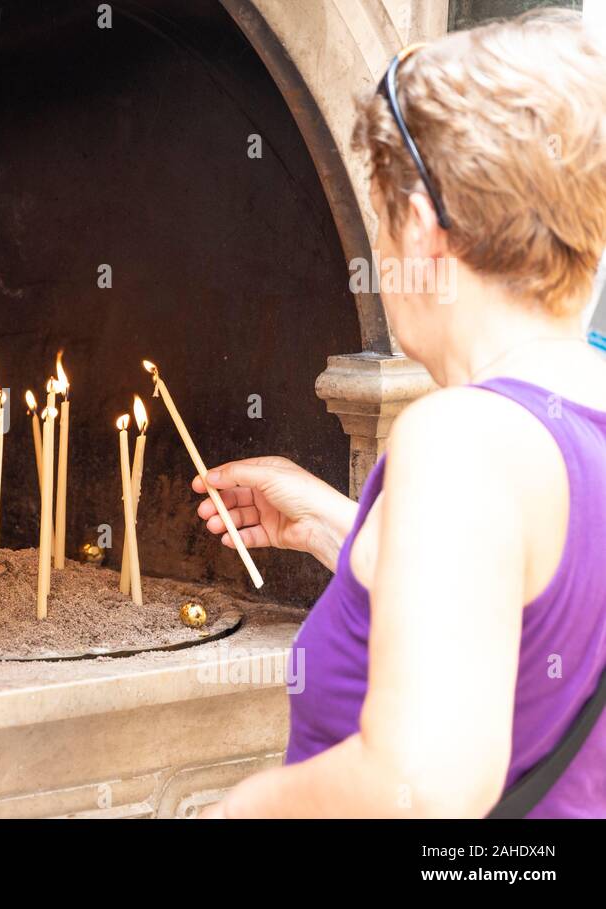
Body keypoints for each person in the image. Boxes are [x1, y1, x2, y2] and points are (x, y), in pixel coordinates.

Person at [197, 10, 606, 818]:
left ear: (420, 230)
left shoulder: (460, 440)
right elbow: (527, 604)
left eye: (378, 229)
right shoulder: (571, 417)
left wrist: (237, 809)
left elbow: (422, 785)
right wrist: (333, 529)